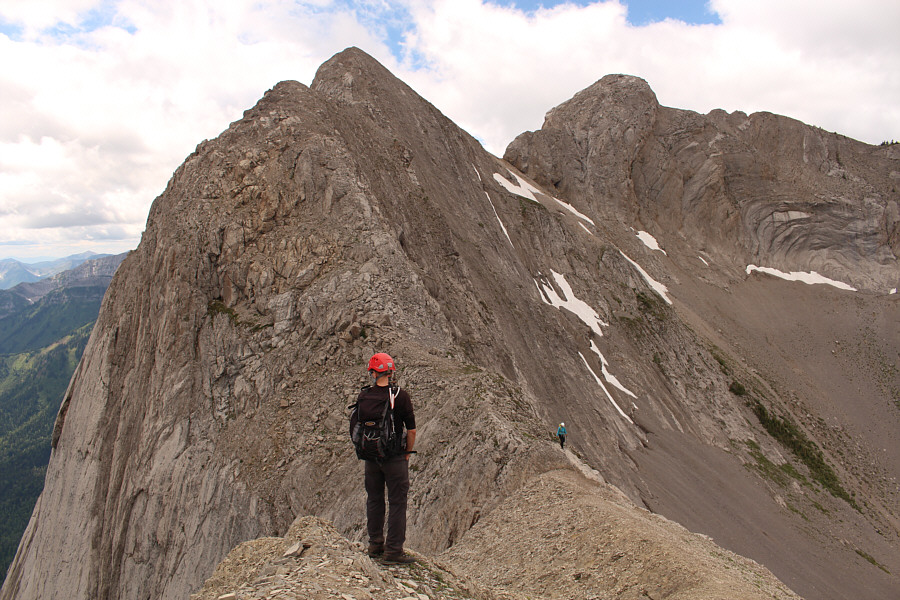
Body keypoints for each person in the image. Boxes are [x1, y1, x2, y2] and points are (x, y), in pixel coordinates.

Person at [355, 352, 417, 564]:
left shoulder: (364, 396)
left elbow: (356, 427)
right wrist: (407, 453)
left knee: (374, 499)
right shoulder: (400, 396)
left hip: (371, 458)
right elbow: (411, 431)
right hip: (395, 457)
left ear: (372, 372)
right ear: (391, 372)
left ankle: (375, 545)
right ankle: (393, 552)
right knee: (397, 502)